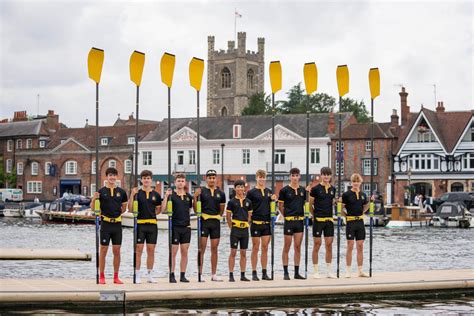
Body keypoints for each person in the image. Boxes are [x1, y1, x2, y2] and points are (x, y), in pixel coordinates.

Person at [91, 167, 128, 284]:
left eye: (114, 175)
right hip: (106, 225)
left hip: (117, 225)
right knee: (103, 250)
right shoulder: (101, 192)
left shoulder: (121, 192)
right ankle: (102, 276)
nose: (112, 177)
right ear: (106, 177)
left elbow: (124, 208)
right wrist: (94, 198)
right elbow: (93, 208)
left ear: (117, 177)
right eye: (110, 175)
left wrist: (116, 215)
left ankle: (116, 277)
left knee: (117, 251)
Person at [128, 170, 162, 284]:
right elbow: (131, 209)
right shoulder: (137, 193)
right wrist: (132, 195)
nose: (146, 180)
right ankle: (137, 275)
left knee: (151, 250)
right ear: (141, 180)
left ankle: (150, 275)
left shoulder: (156, 194)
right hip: (140, 224)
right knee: (139, 250)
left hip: (152, 225)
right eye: (144, 178)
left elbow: (158, 210)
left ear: (151, 180)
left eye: (148, 178)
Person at [194, 169, 226, 282]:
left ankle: (214, 274)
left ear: (215, 179)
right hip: (204, 222)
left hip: (215, 222)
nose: (212, 180)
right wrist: (195, 197)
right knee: (201, 248)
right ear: (206, 179)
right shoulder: (201, 191)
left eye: (213, 178)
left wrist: (216, 216)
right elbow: (195, 209)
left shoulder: (221, 193)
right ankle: (200, 273)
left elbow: (221, 210)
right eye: (209, 178)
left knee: (214, 249)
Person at [340, 173, 373, 278]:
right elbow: (341, 208)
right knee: (350, 245)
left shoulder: (363, 195)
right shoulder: (346, 194)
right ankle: (348, 271)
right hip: (350, 222)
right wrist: (346, 216)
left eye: (357, 182)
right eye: (354, 182)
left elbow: (364, 209)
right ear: (351, 183)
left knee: (360, 246)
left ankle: (360, 271)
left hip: (360, 222)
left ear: (360, 183)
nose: (356, 183)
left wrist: (371, 202)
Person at [163, 173, 193, 283]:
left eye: (182, 181)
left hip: (186, 227)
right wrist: (166, 196)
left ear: (185, 182)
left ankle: (182, 275)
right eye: (178, 181)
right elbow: (163, 209)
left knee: (184, 252)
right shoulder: (171, 196)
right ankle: (172, 274)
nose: (180, 183)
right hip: (175, 227)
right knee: (173, 253)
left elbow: (189, 210)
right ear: (175, 182)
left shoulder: (188, 196)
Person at [247, 169, 275, 281]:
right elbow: (247, 207)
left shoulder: (269, 191)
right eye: (260, 177)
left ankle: (264, 272)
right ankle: (254, 272)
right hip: (255, 223)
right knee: (255, 247)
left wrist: (274, 200)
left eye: (263, 177)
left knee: (265, 248)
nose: (261, 179)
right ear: (256, 178)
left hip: (266, 223)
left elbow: (272, 207)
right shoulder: (251, 192)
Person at [278, 167, 306, 280]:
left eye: (296, 175)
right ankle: (285, 272)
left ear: (299, 176)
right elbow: (280, 206)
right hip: (289, 221)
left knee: (298, 247)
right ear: (290, 176)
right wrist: (287, 216)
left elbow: (305, 204)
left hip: (299, 221)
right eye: (293, 175)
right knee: (287, 246)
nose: (294, 177)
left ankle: (296, 272)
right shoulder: (284, 190)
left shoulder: (303, 190)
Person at [309, 167, 336, 279]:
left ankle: (329, 271)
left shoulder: (333, 189)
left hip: (329, 220)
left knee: (329, 245)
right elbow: (310, 205)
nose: (326, 177)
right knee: (317, 244)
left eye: (328, 175)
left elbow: (332, 202)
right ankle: (315, 271)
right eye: (324, 175)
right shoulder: (315, 189)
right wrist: (314, 216)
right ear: (321, 175)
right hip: (318, 220)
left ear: (330, 176)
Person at [226, 180, 252, 282]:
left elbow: (250, 215)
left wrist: (247, 224)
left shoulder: (248, 202)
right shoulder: (232, 202)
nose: (240, 189)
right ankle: (231, 274)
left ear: (244, 188)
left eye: (242, 187)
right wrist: (231, 227)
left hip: (244, 229)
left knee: (244, 253)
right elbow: (228, 217)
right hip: (235, 229)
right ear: (235, 188)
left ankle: (242, 274)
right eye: (238, 187)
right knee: (233, 252)